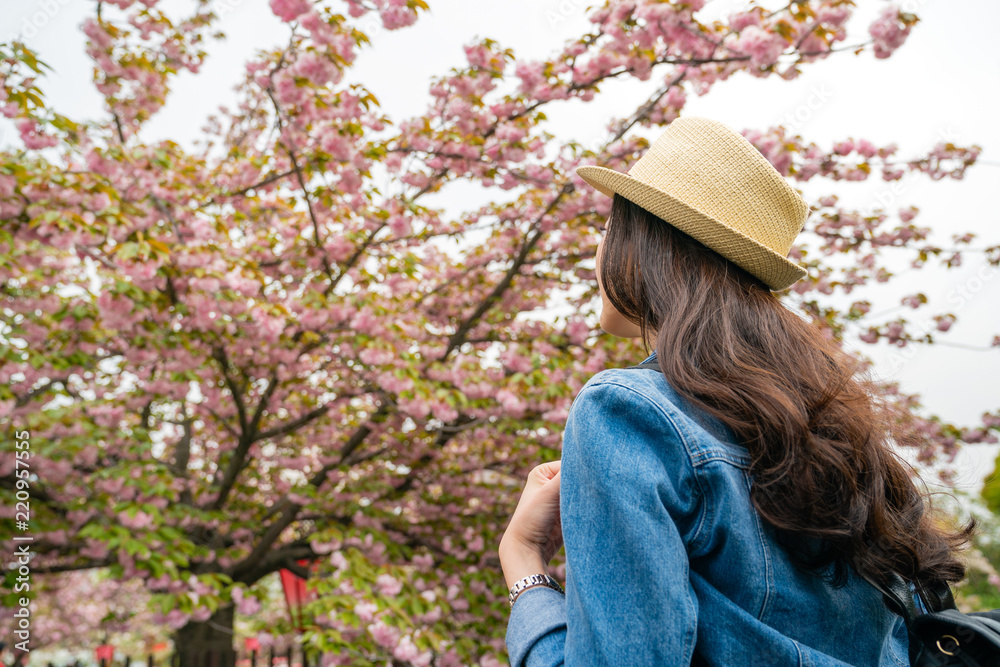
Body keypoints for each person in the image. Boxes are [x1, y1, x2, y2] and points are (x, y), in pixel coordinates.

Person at [497, 117, 975, 666]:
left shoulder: (624, 410)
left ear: (643, 244)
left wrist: (525, 564)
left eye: (608, 227)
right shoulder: (841, 437)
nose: (598, 248)